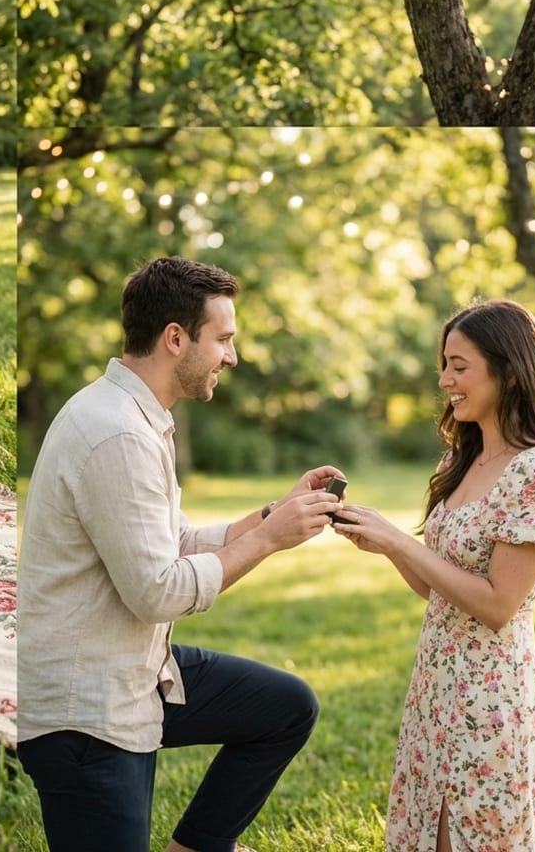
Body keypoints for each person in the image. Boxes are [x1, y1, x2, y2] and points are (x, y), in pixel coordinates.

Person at [17, 256, 344, 852]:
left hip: (137, 669)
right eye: (224, 339)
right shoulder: (117, 432)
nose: (232, 356)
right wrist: (267, 541)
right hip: (85, 709)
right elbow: (157, 591)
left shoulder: (137, 417)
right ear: (175, 338)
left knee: (284, 708)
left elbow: (175, 542)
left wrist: (272, 514)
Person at [333, 298, 535, 852]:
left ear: (508, 371)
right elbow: (438, 590)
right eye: (444, 366)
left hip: (493, 699)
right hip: (434, 692)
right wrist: (390, 550)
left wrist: (399, 540)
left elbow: (497, 604)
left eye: (459, 366)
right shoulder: (458, 461)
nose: (444, 381)